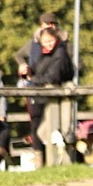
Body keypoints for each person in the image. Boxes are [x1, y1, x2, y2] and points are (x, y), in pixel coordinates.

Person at [29, 28, 74, 166]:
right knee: (44, 132)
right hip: (49, 95)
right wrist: (29, 73)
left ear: (56, 39)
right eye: (45, 41)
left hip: (61, 93)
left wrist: (34, 79)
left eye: (50, 41)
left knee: (62, 129)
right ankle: (57, 160)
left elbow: (53, 77)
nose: (48, 44)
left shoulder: (60, 53)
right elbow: (39, 71)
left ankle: (63, 160)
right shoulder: (45, 55)